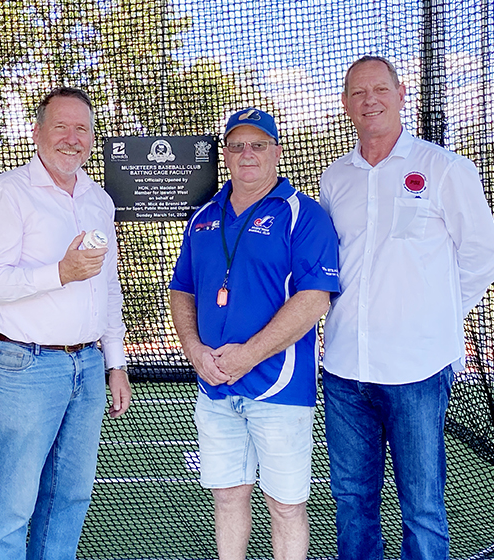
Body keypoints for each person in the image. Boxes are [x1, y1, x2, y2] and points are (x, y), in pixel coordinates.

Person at [320, 55, 494, 560]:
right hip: (344, 370)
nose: (369, 100)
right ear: (345, 105)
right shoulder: (335, 181)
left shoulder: (445, 168)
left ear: (401, 96)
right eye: (357, 93)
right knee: (353, 503)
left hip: (418, 371)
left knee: (422, 509)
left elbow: (483, 254)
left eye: (380, 89)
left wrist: (439, 316)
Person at [169, 108, 340, 560]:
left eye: (258, 144)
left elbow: (315, 299)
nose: (247, 154)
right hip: (214, 386)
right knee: (227, 497)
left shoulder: (304, 215)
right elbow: (182, 290)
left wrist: (248, 355)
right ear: (225, 154)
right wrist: (193, 350)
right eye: (237, 145)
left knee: (284, 506)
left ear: (277, 152)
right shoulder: (203, 216)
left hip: (279, 388)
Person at [0, 86, 132, 560]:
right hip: (25, 364)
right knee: (13, 506)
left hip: (86, 365)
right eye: (60, 126)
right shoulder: (8, 192)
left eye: (81, 128)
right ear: (37, 132)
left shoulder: (98, 198)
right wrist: (59, 273)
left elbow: (108, 287)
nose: (71, 138)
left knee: (70, 498)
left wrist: (115, 362)